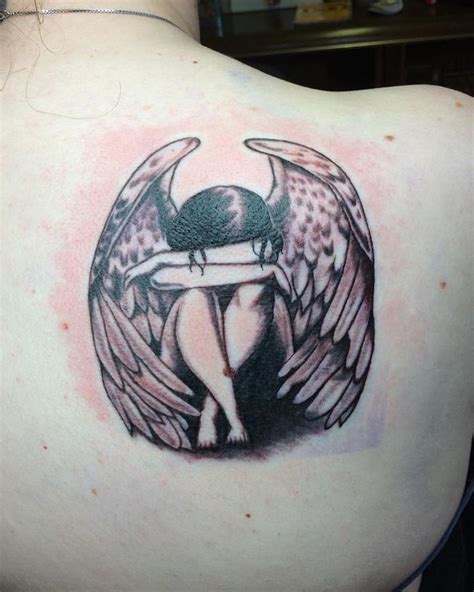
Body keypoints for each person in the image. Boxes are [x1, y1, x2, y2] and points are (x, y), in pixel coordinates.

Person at [1, 1, 472, 591]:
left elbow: (254, 273)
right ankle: (219, 409)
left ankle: (213, 411)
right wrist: (188, 270)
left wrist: (177, 267)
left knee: (243, 293)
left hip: (250, 327)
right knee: (199, 302)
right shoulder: (449, 143)